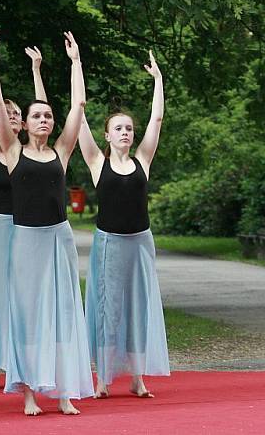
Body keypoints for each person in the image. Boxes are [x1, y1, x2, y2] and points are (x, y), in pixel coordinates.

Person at [0, 29, 93, 415]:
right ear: (25, 124)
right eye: (38, 115)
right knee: (28, 314)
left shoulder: (62, 151)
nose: (45, 119)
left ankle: (63, 391)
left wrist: (75, 62)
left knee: (63, 312)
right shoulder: (13, 151)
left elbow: (79, 105)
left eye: (48, 115)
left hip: (58, 239)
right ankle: (30, 391)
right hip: (25, 241)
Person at [77, 50, 169, 400]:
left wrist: (158, 80)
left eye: (129, 128)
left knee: (138, 306)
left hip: (140, 243)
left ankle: (137, 377)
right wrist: (77, 66)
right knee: (108, 308)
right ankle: (103, 377)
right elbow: (79, 118)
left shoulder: (143, 159)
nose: (126, 132)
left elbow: (157, 120)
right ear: (107, 135)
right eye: (119, 128)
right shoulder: (98, 162)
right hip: (110, 244)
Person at [0, 39, 48, 391]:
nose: (14, 117)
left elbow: (42, 109)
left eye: (18, 115)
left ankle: (25, 361)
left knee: (23, 296)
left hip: (26, 230)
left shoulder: (27, 154)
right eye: (10, 113)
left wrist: (36, 72)